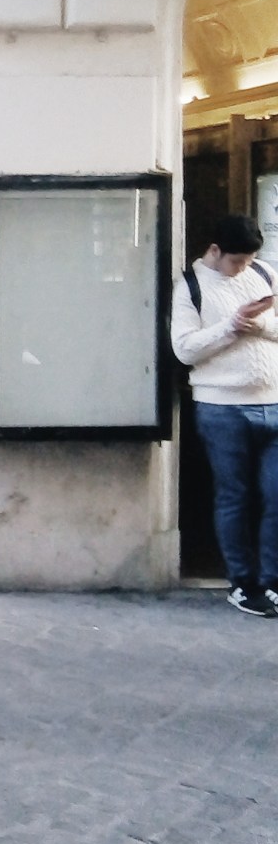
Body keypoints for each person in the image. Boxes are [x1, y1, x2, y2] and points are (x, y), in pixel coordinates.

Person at [171, 213, 278, 618]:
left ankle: (273, 582)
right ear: (214, 251)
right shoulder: (191, 286)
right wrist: (231, 327)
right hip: (222, 408)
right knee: (234, 497)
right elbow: (184, 349)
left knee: (276, 496)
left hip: (275, 400)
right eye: (237, 261)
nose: (244, 268)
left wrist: (261, 325)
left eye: (250, 260)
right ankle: (243, 582)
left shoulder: (265, 273)